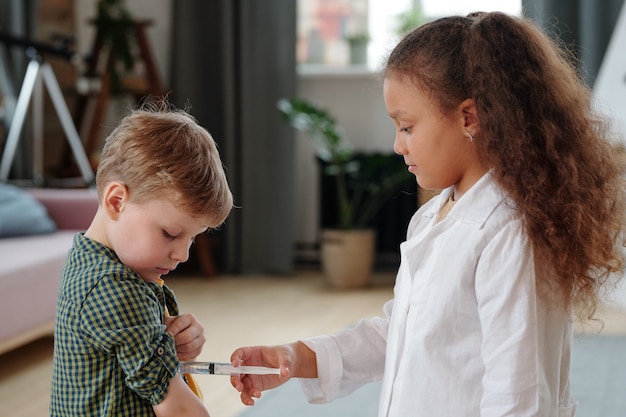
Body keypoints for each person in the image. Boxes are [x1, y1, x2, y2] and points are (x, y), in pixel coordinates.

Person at [229, 11, 626, 417]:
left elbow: (518, 397)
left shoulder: (509, 233)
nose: (398, 145)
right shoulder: (434, 215)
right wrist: (295, 358)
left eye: (407, 127)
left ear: (468, 118)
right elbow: (404, 334)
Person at [50, 102, 233, 417]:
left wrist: (166, 340)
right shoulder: (116, 289)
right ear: (117, 201)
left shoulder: (87, 258)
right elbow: (180, 410)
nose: (183, 254)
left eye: (193, 238)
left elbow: (122, 351)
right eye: (170, 234)